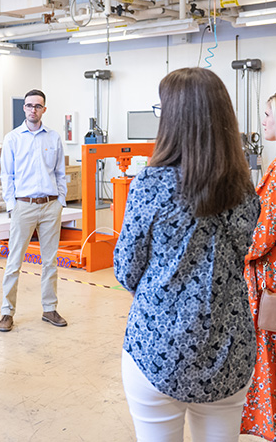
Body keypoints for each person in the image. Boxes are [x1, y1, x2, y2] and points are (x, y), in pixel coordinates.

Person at [114, 67, 259, 442]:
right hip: (228, 351)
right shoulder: (244, 189)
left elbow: (125, 268)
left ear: (174, 119)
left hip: (157, 348)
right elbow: (242, 249)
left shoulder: (150, 183)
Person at [0, 89, 67, 332]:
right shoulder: (13, 138)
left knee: (50, 261)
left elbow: (60, 172)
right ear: (24, 109)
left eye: (38, 106)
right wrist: (12, 205)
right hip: (23, 206)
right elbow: (7, 175)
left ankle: (49, 309)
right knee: (14, 260)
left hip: (50, 205)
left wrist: (61, 200)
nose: (33, 109)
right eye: (29, 105)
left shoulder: (54, 137)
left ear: (44, 109)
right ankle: (7, 312)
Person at [241, 92, 276, 440]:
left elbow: (263, 236)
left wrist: (234, 246)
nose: (263, 121)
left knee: (266, 346)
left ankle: (268, 421)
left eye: (267, 114)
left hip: (269, 284)